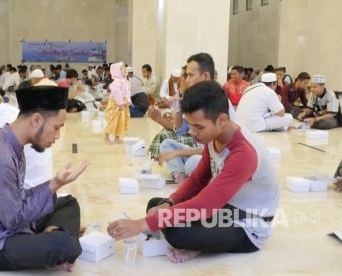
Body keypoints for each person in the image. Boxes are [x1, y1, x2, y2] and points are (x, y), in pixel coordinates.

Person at [107, 80, 279, 263]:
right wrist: (169, 202)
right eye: (190, 125)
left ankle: (199, 244)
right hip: (224, 208)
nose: (192, 132)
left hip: (247, 223)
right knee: (156, 204)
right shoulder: (215, 137)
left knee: (177, 233)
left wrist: (141, 224)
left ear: (221, 120)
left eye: (199, 127)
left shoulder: (243, 153)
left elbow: (205, 204)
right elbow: (197, 181)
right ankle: (199, 241)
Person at [0, 84, 89, 273]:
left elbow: (17, 199)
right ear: (36, 120)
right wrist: (53, 186)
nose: (57, 136)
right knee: (64, 245)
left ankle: (51, 235)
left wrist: (55, 184)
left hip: (7, 223)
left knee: (68, 203)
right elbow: (14, 219)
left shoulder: (11, 143)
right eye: (56, 127)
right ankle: (57, 240)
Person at [104, 62, 130, 144]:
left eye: (125, 68)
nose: (125, 70)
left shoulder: (126, 81)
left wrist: (128, 101)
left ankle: (117, 137)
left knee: (121, 122)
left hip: (123, 103)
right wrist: (120, 103)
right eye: (122, 68)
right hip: (115, 104)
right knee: (113, 120)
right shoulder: (117, 82)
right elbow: (115, 92)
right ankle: (106, 138)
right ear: (117, 71)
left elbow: (128, 92)